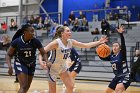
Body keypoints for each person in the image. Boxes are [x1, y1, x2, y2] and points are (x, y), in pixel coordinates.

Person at [38, 26, 108, 93]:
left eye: (70, 31)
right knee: (52, 92)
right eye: (68, 31)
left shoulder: (71, 42)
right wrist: (41, 62)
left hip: (63, 67)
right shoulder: (56, 43)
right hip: (52, 68)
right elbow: (41, 52)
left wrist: (99, 42)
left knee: (70, 86)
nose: (70, 32)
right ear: (62, 33)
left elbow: (86, 45)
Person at [6, 24, 49, 93]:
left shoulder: (35, 41)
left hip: (31, 64)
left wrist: (47, 61)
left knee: (27, 87)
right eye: (31, 31)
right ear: (25, 32)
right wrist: (10, 66)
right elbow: (8, 54)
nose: (33, 33)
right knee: (23, 86)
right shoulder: (17, 41)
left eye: (33, 31)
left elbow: (43, 52)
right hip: (20, 63)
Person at [98, 25, 131, 93]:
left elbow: (123, 44)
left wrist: (121, 34)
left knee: (117, 89)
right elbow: (102, 57)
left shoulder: (122, 54)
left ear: (120, 48)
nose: (114, 47)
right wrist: (99, 49)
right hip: (117, 77)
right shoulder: (111, 56)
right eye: (113, 46)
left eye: (116, 46)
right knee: (107, 91)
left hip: (125, 75)